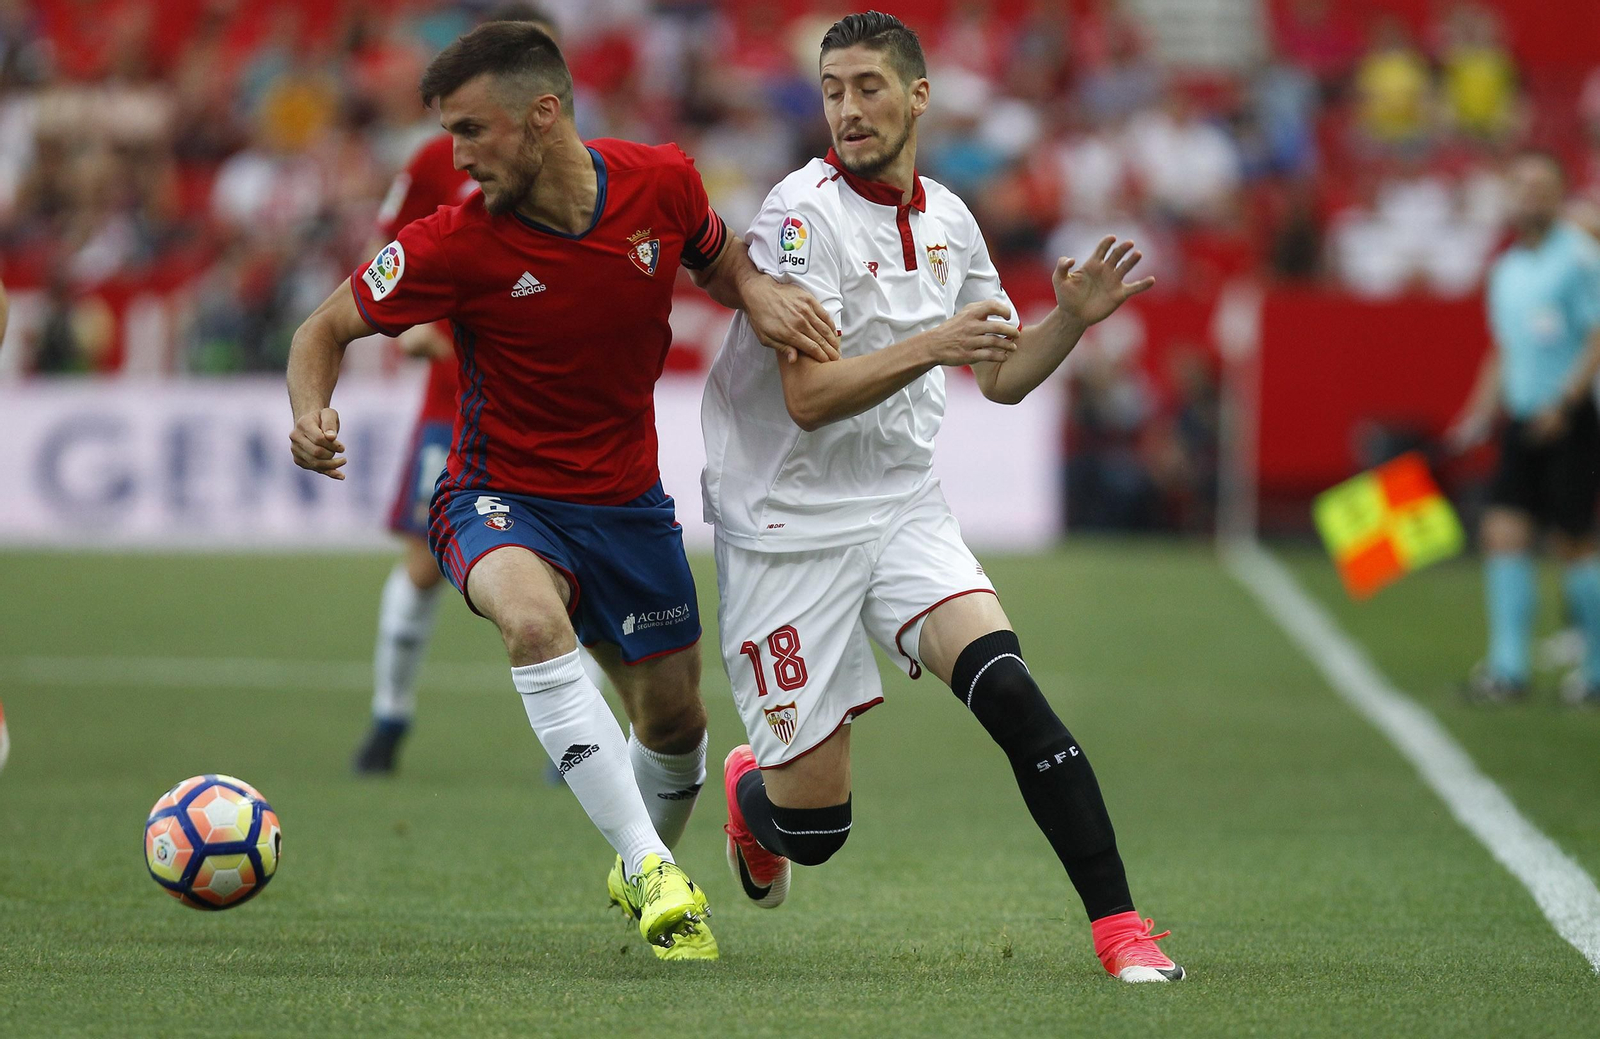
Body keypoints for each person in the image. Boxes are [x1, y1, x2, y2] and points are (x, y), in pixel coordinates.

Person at [287, 22, 839, 960]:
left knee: (675, 721)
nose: (456, 158)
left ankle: (645, 862)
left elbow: (715, 253)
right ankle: (652, 868)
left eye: (472, 131)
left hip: (625, 504)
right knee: (533, 625)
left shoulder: (662, 182)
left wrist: (755, 292)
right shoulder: (451, 241)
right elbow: (323, 327)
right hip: (495, 493)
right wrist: (310, 411)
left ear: (543, 116)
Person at [701, 12, 1184, 983]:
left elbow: (1000, 378)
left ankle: (1122, 931)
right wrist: (934, 345)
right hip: (787, 529)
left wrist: (1071, 323)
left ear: (919, 96)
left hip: (898, 508)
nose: (848, 108)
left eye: (868, 86)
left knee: (1011, 689)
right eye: (832, 89)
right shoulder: (801, 218)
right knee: (818, 828)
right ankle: (753, 796)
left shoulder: (953, 220)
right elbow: (806, 398)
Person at [350, 2, 613, 779]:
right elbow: (383, 259)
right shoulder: (443, 158)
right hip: (455, 403)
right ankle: (389, 716)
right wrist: (421, 329)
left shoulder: (589, 166)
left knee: (578, 579)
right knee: (426, 564)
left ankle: (576, 745)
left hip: (561, 413)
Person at [1449, 150, 1600, 704]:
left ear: (1561, 194)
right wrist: (1477, 413)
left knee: (1574, 543)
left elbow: (1597, 335)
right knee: (1503, 534)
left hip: (1571, 419)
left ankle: (1596, 669)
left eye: (1542, 185)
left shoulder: (1581, 259)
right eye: (1521, 184)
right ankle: (1509, 668)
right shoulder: (1507, 269)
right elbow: (1505, 349)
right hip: (1521, 417)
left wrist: (1565, 403)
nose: (1530, 195)